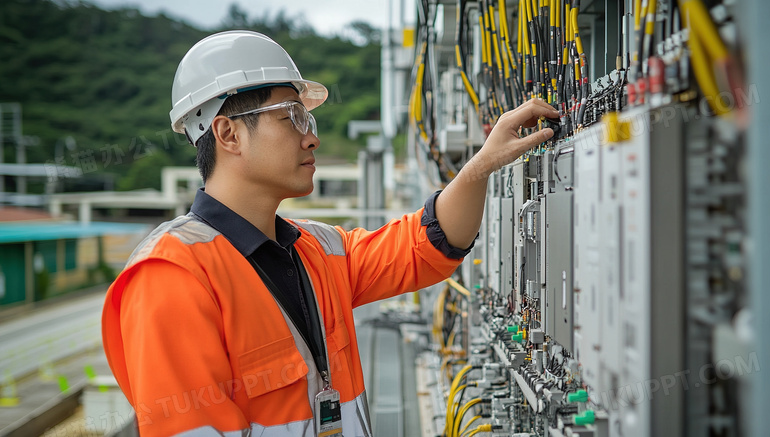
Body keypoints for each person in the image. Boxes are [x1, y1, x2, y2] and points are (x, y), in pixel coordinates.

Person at [101, 30, 558, 437]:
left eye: (309, 121)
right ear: (228, 133)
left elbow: (425, 246)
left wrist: (480, 166)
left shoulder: (316, 250)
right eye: (291, 118)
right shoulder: (171, 276)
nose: (311, 138)